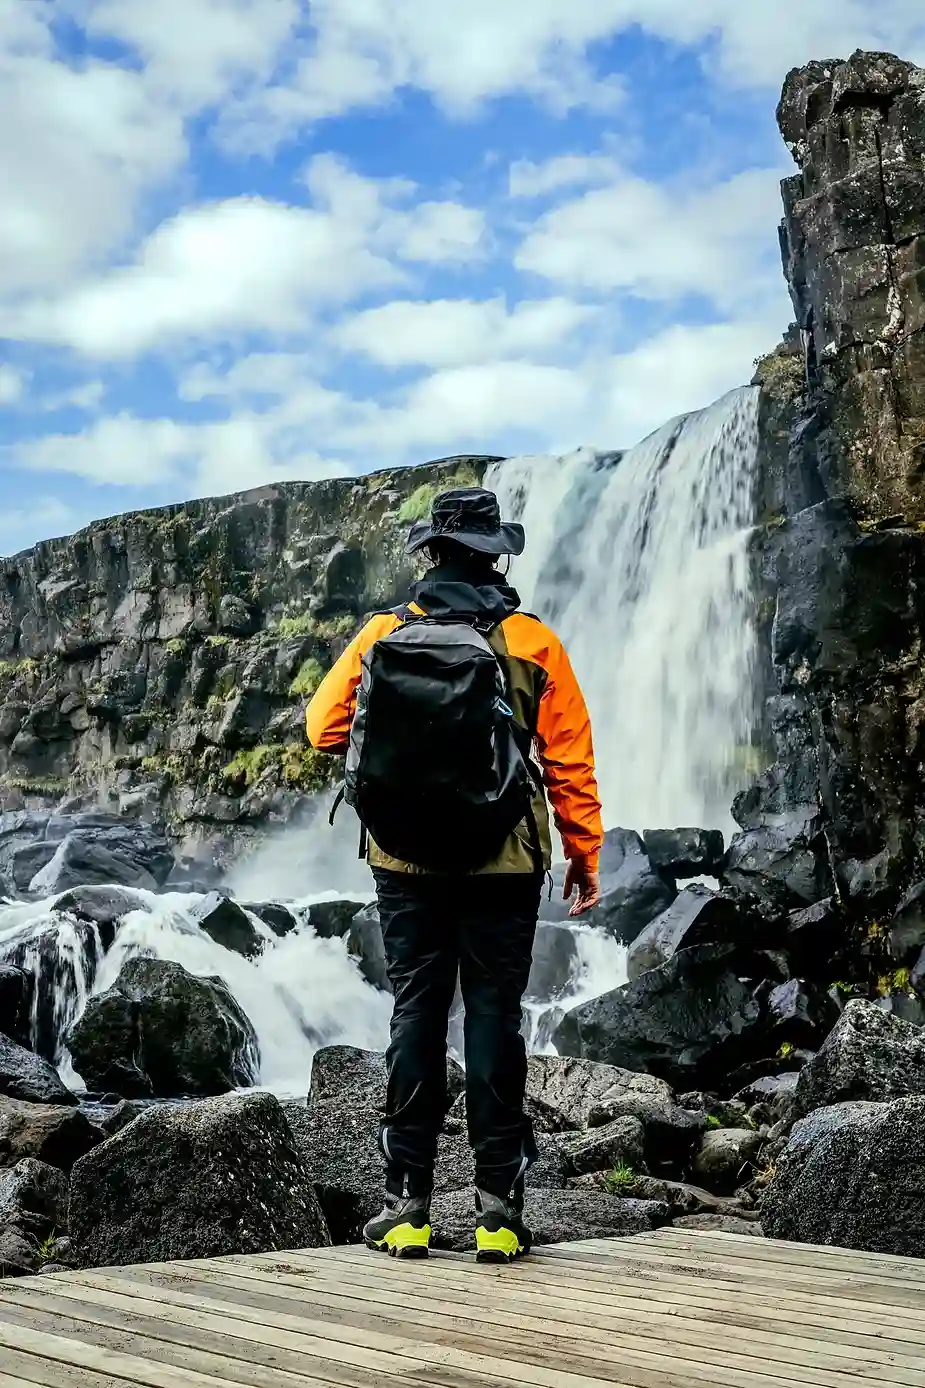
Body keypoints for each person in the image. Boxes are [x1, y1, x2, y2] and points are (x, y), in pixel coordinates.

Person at [306, 486, 603, 1262]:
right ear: (496, 556)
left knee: (416, 1012)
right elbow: (569, 761)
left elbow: (320, 730)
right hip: (505, 856)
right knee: (495, 1017)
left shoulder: (383, 632)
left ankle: (406, 1206)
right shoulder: (533, 641)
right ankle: (498, 1214)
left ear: (430, 554)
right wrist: (585, 851)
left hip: (403, 856)